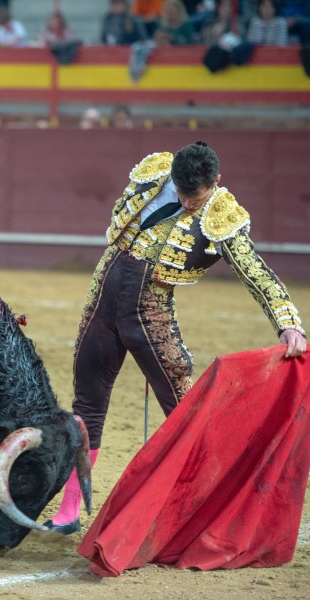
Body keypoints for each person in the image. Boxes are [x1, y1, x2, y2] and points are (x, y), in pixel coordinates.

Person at [43, 142, 306, 536]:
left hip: (150, 315)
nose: (186, 203)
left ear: (215, 183)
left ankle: (209, 513)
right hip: (102, 300)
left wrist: (288, 321)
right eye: (181, 193)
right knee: (86, 407)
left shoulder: (221, 214)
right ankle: (68, 512)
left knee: (186, 412)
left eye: (194, 197)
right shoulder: (153, 173)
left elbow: (256, 271)